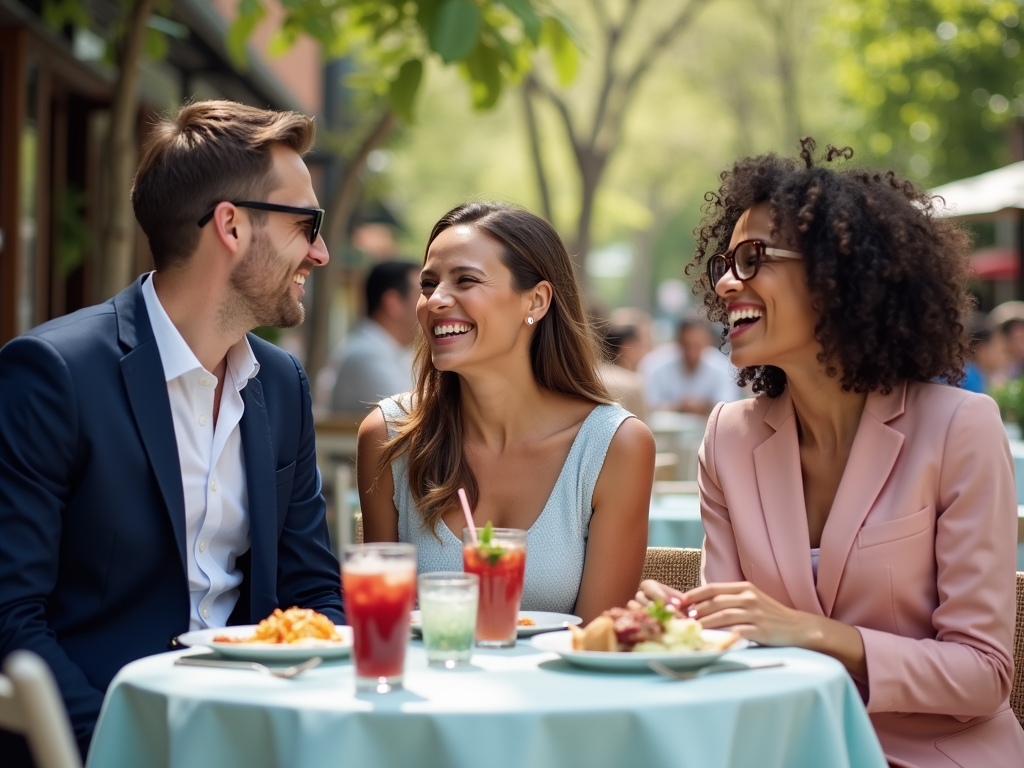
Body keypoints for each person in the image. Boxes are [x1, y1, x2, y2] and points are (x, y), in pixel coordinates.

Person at [636, 140, 1024, 767]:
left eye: (753, 257)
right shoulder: (728, 437)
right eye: (724, 263)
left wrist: (816, 634)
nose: (728, 281)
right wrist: (684, 624)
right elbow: (735, 638)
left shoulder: (960, 427)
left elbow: (982, 674)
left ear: (836, 272)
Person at [0, 100, 344, 764]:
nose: (321, 252)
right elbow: (10, 616)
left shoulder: (280, 385)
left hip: (254, 730)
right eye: (307, 225)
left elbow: (312, 592)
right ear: (232, 226)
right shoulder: (53, 375)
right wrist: (128, 746)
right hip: (98, 736)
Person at [356, 203, 656, 623]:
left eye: (466, 280)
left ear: (535, 300)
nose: (435, 300)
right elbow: (381, 625)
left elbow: (596, 645)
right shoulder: (390, 435)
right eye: (428, 284)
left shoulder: (613, 447)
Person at [329, 260, 419, 413]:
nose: (432, 304)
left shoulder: (389, 350)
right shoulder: (366, 354)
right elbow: (413, 418)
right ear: (393, 303)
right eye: (423, 295)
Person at [639, 315, 744, 413]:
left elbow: (729, 404)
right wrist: (679, 406)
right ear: (678, 341)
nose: (691, 352)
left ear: (708, 342)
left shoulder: (722, 366)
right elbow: (647, 404)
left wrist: (704, 407)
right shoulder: (655, 363)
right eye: (686, 345)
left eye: (697, 345)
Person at [960, 312, 1007, 394]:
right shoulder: (969, 381)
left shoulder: (967, 373)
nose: (1004, 355)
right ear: (982, 350)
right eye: (1001, 349)